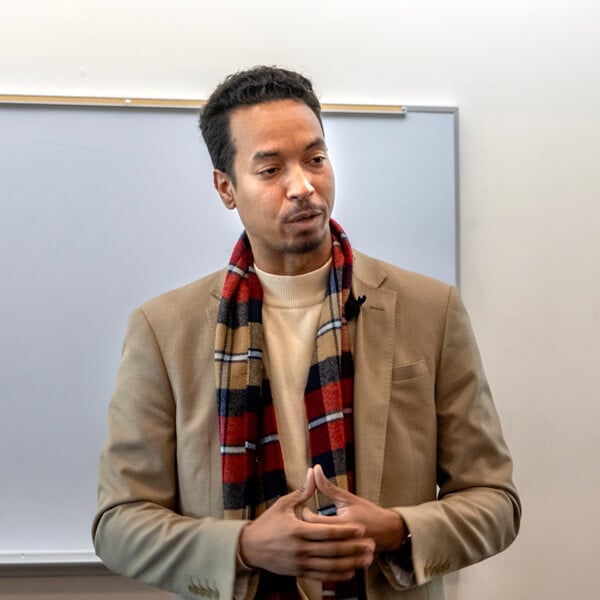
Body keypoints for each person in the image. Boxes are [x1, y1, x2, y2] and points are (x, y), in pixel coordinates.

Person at [93, 66, 521, 600]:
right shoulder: (164, 330)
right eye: (271, 169)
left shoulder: (428, 309)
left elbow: (496, 501)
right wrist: (245, 546)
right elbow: (118, 521)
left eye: (315, 159)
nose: (303, 186)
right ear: (226, 188)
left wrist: (395, 529)